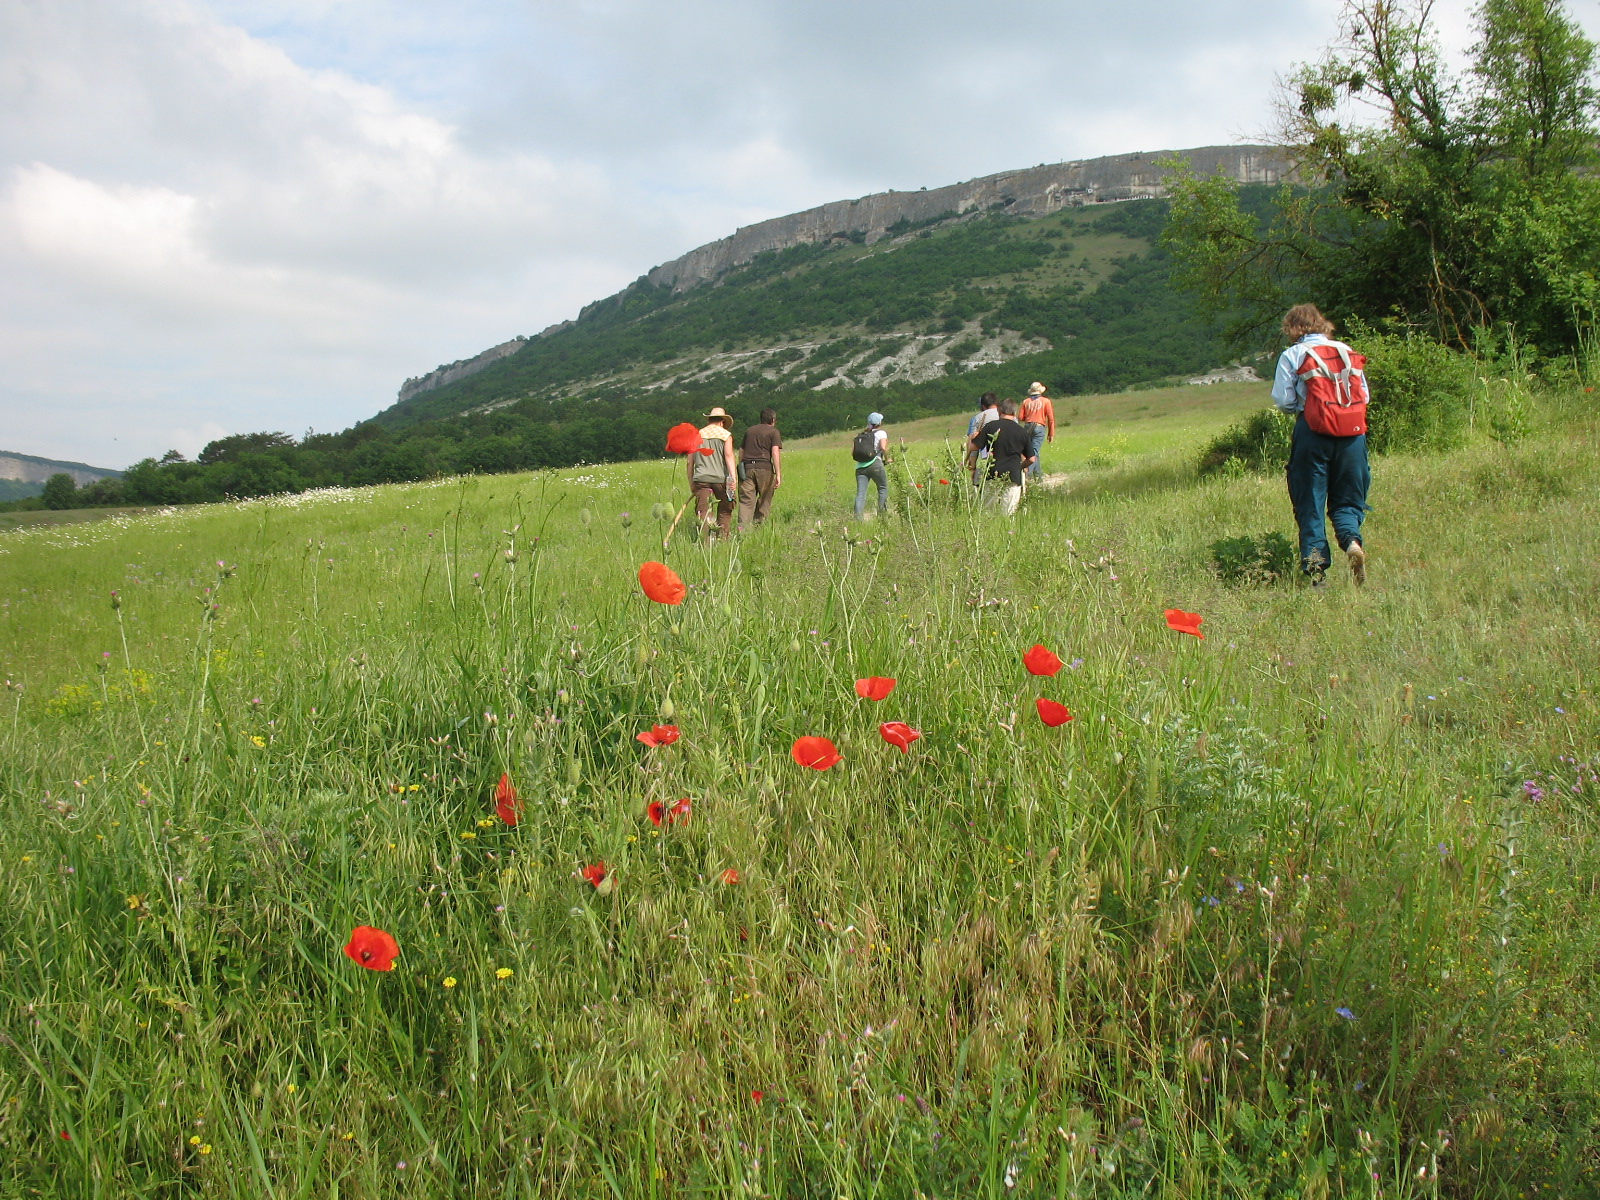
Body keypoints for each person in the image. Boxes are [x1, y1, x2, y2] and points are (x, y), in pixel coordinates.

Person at [1271, 303, 1370, 586]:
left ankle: (1317, 573)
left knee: (1310, 501)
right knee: (1348, 498)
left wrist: (1309, 407)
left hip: (1312, 433)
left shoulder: (1292, 355)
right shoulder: (1345, 350)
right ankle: (1351, 541)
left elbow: (1284, 400)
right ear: (1322, 324)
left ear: (1292, 328)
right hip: (1353, 434)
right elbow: (1364, 394)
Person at [970, 398, 1035, 515]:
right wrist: (1020, 466)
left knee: (988, 512)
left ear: (999, 411)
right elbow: (1031, 459)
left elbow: (973, 447)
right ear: (1014, 413)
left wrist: (974, 437)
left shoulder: (991, 426)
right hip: (1013, 475)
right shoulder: (1021, 431)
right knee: (1008, 514)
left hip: (992, 474)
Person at [689, 406, 739, 541]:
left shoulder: (697, 435)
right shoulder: (726, 435)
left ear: (709, 420)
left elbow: (690, 462)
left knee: (703, 512)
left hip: (701, 479)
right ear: (722, 421)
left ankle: (706, 543)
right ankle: (722, 539)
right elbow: (729, 457)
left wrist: (691, 483)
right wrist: (733, 480)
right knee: (725, 509)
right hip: (720, 479)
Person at [738, 407, 783, 530]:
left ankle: (743, 531)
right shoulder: (774, 432)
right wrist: (778, 474)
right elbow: (775, 452)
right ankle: (759, 528)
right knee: (764, 499)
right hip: (765, 468)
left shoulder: (749, 431)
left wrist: (741, 466)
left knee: (746, 502)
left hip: (747, 468)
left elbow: (741, 451)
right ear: (773, 420)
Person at [853, 412, 890, 519]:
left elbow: (853, 453)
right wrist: (888, 458)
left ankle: (858, 520)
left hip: (860, 467)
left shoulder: (861, 435)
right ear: (879, 423)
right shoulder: (881, 433)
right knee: (882, 488)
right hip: (875, 463)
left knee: (860, 494)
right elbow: (883, 447)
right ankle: (882, 515)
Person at [1018, 382, 1056, 480]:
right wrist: (1051, 434)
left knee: (1032, 451)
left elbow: (1020, 417)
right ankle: (1027, 475)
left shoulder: (1026, 401)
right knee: (1034, 452)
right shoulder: (1046, 401)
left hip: (1027, 427)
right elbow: (1051, 419)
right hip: (1039, 426)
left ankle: (1038, 476)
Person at [965, 393, 999, 485]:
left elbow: (973, 443)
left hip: (985, 459)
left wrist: (973, 466)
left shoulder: (976, 419)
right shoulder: (1008, 416)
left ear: (983, 406)